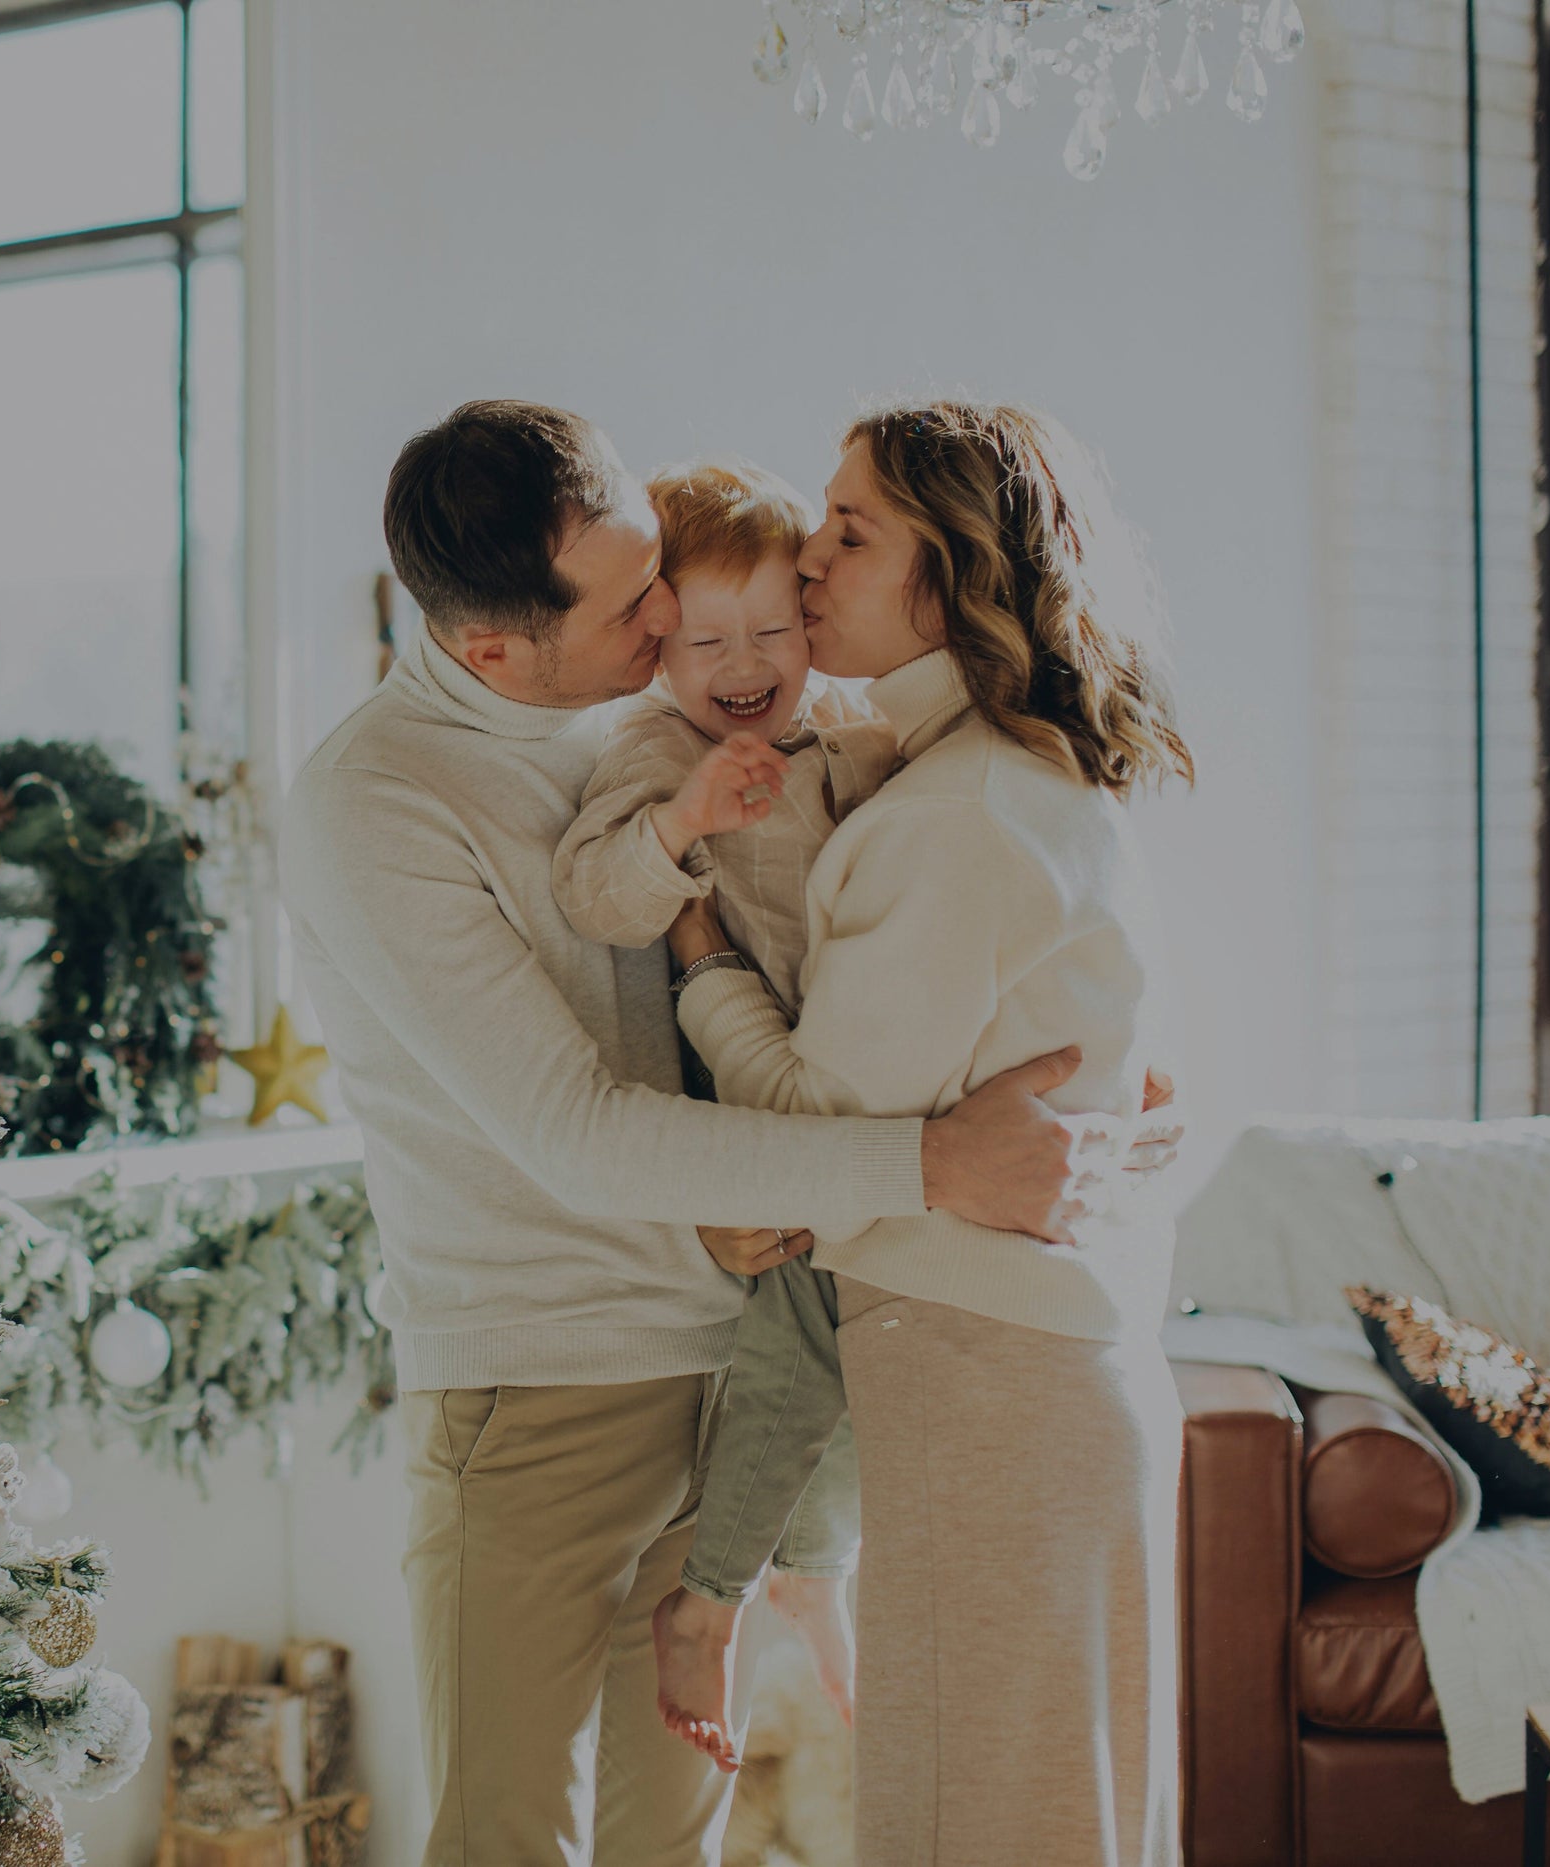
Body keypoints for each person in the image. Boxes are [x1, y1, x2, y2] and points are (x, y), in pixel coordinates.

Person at [276, 400, 1160, 1867]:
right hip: (545, 1382)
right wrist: (932, 1165)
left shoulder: (648, 711)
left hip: (734, 1339)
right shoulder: (378, 801)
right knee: (509, 1836)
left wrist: (1099, 1091)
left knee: (671, 1845)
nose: (675, 615)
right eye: (637, 606)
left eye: (659, 575)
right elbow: (576, 1131)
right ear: (495, 649)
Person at [665, 401, 1194, 1867]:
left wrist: (705, 964)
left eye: (852, 530)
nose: (807, 561)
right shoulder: (1012, 783)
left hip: (988, 1389)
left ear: (954, 572)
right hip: (1038, 1385)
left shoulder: (960, 816)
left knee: (982, 1828)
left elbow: (813, 1148)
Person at [550, 459, 895, 1756]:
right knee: (807, 1338)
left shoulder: (847, 724)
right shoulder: (653, 746)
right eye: (706, 641)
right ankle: (720, 1597)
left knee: (864, 1340)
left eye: (773, 632)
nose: (745, 665)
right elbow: (596, 899)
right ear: (659, 648)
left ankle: (809, 1567)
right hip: (752, 1091)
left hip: (842, 1074)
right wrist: (687, 819)